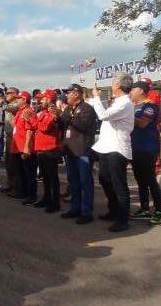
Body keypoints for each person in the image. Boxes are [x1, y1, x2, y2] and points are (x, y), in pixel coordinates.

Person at [89, 73, 135, 232]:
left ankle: (123, 219)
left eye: (114, 82)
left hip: (117, 148)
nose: (112, 84)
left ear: (120, 86)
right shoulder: (117, 102)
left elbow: (102, 115)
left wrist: (96, 97)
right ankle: (114, 209)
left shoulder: (125, 103)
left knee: (119, 184)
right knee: (104, 179)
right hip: (106, 146)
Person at [59, 84, 98, 224]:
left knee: (85, 182)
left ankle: (87, 212)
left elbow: (82, 125)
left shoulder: (87, 109)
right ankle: (75, 208)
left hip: (83, 151)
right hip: (70, 150)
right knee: (73, 181)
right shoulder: (69, 108)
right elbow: (62, 123)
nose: (66, 96)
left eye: (68, 93)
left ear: (76, 94)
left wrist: (67, 116)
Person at [129, 81, 161, 226]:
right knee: (140, 180)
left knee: (150, 180)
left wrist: (127, 115)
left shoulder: (149, 106)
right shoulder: (133, 106)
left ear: (141, 90)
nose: (131, 91)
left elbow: (143, 123)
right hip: (135, 148)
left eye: (133, 89)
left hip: (147, 148)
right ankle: (145, 209)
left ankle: (160, 212)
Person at [33, 89, 62, 213]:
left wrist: (34, 120)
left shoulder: (52, 112)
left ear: (50, 99)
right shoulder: (43, 112)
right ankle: (46, 198)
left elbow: (44, 127)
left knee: (52, 177)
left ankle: (54, 203)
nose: (41, 100)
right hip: (41, 148)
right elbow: (36, 125)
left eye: (44, 98)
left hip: (50, 149)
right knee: (45, 176)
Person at [15, 92, 39, 206]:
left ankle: (32, 196)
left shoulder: (28, 111)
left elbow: (30, 130)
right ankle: (24, 192)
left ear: (24, 99)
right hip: (20, 146)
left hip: (27, 147)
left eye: (18, 98)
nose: (17, 100)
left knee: (30, 173)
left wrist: (26, 148)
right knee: (22, 172)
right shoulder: (20, 111)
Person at [1, 86, 21, 197]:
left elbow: (7, 108)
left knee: (14, 163)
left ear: (15, 94)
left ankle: (16, 187)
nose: (7, 94)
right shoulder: (10, 103)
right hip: (8, 136)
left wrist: (2, 101)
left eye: (9, 93)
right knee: (8, 162)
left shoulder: (17, 103)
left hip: (15, 137)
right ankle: (10, 185)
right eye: (6, 93)